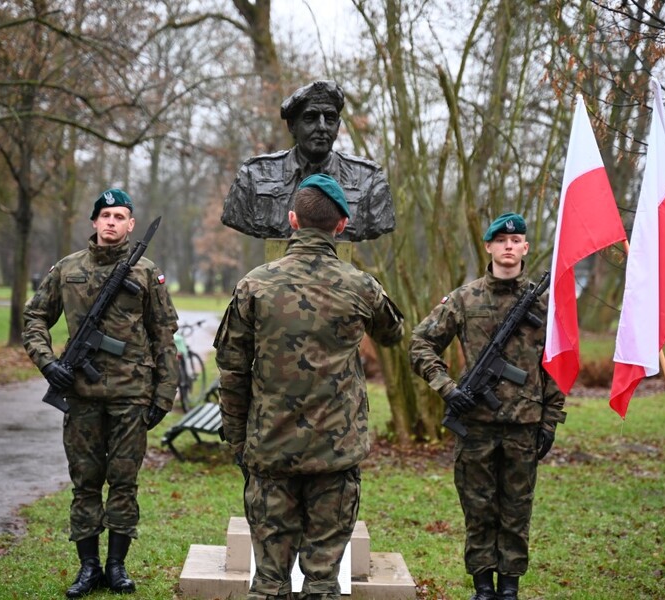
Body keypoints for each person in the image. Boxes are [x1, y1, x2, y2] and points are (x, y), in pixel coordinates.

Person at [214, 174, 404, 599]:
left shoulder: (254, 285)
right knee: (322, 582)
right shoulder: (361, 286)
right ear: (342, 225)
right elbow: (393, 334)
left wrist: (239, 439)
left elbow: (232, 369)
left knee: (268, 582)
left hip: (269, 448)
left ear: (292, 220)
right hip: (336, 452)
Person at [22, 188, 179, 598]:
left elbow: (164, 336)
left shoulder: (146, 273)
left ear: (130, 224)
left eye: (119, 216)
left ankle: (117, 566)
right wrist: (47, 363)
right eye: (105, 215)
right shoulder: (67, 269)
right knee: (86, 482)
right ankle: (89, 567)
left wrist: (164, 394)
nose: (111, 222)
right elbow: (35, 317)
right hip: (81, 394)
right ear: (94, 222)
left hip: (132, 394)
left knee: (124, 482)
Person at [408, 212, 566, 600]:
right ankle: (483, 587)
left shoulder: (546, 304)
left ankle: (509, 587)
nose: (508, 246)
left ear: (525, 247)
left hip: (524, 425)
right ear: (489, 247)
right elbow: (420, 344)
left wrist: (550, 420)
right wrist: (447, 388)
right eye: (501, 241)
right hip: (475, 425)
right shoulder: (465, 299)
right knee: (478, 510)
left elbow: (558, 364)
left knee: (516, 512)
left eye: (516, 241)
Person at [221, 80, 396, 242]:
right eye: (310, 118)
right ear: (292, 125)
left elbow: (380, 223)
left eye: (329, 118)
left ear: (338, 126)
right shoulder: (254, 174)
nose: (322, 127)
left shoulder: (369, 180)